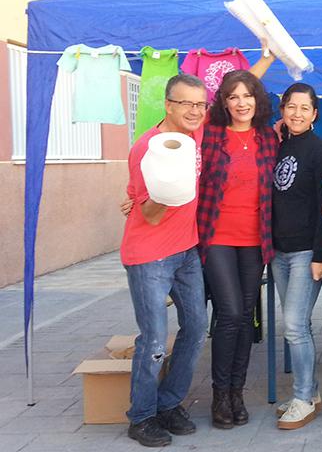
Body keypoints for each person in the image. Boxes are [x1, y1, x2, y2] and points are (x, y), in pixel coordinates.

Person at [120, 74, 209, 447]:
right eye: (186, 103)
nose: (195, 111)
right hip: (149, 255)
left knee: (196, 327)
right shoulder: (146, 149)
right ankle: (141, 417)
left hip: (187, 249)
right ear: (168, 105)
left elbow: (240, 91)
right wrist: (167, 187)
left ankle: (169, 403)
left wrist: (268, 55)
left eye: (200, 104)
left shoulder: (194, 134)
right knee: (155, 339)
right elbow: (151, 215)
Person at [197, 70, 279, 429]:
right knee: (229, 313)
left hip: (255, 238)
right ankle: (219, 394)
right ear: (224, 102)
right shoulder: (210, 133)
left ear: (257, 100)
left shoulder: (268, 138)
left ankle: (236, 393)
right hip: (216, 235)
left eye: (247, 95)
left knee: (245, 315)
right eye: (233, 96)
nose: (241, 103)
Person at [270, 83, 322, 429]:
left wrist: (320, 255)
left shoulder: (321, 151)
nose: (297, 113)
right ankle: (311, 391)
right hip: (278, 251)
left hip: (306, 252)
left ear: (314, 114)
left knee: (294, 325)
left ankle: (303, 398)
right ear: (282, 110)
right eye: (291, 107)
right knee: (298, 324)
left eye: (304, 108)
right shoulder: (278, 146)